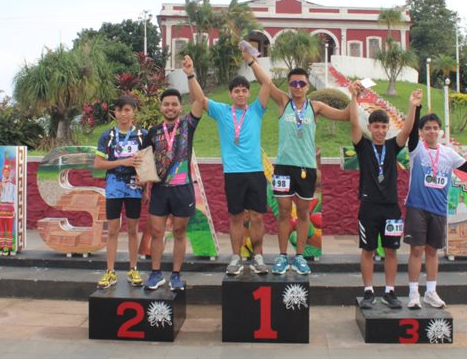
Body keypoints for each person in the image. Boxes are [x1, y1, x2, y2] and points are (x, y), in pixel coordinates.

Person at [246, 59, 350, 275]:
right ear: (288, 86)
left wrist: (355, 96)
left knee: (303, 213)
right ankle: (283, 257)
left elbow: (344, 115)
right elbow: (264, 80)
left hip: (306, 168)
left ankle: (300, 256)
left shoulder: (316, 107)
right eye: (293, 83)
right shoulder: (283, 102)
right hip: (283, 168)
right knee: (283, 213)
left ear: (308, 86)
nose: (298, 87)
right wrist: (250, 61)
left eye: (301, 83)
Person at [186, 49, 271, 275]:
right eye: (237, 91)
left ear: (248, 93)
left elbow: (267, 83)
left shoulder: (256, 110)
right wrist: (191, 74)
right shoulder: (223, 111)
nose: (241, 94)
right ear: (231, 94)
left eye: (244, 90)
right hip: (233, 173)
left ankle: (259, 257)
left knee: (256, 217)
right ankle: (235, 258)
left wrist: (251, 61)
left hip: (255, 171)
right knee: (235, 216)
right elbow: (201, 99)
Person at [349, 82, 422, 309]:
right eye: (376, 126)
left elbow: (408, 130)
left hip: (391, 208)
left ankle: (390, 291)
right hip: (369, 207)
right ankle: (368, 290)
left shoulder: (392, 146)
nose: (380, 130)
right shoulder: (362, 146)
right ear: (369, 127)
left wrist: (412, 106)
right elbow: (353, 122)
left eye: (383, 126)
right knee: (368, 249)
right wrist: (353, 97)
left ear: (387, 128)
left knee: (391, 250)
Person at [404, 113, 467, 309]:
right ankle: (413, 293)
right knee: (416, 250)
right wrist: (416, 106)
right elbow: (411, 132)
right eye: (427, 128)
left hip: (439, 209)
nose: (432, 131)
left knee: (432, 251)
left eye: (435, 128)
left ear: (440, 131)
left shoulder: (448, 153)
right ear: (421, 132)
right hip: (417, 206)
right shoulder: (416, 149)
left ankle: (431, 292)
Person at [140, 55, 204, 291]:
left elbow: (200, 99)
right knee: (157, 233)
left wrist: (190, 74)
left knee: (179, 232)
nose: (170, 107)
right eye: (166, 104)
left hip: (183, 188)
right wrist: (144, 184)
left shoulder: (188, 125)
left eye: (174, 104)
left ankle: (176, 275)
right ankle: (156, 274)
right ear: (161, 107)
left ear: (180, 107)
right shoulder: (153, 132)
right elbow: (144, 160)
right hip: (159, 190)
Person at [94, 96, 148, 289]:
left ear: (134, 111)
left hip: (135, 188)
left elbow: (148, 164)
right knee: (113, 230)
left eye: (127, 110)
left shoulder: (143, 135)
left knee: (133, 230)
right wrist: (122, 162)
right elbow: (98, 164)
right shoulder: (107, 136)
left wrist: (146, 186)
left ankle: (133, 269)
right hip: (114, 187)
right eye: (119, 110)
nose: (123, 114)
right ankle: (110, 272)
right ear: (114, 113)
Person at [0, 162, 16, 256]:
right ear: (3, 173)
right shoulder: (0, 184)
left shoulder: (13, 185)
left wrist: (15, 209)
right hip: (2, 208)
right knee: (1, 228)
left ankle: (10, 247)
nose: (6, 174)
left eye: (7, 172)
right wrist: (0, 188)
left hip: (10, 208)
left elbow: (15, 197)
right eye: (4, 172)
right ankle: (1, 246)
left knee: (9, 229)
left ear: (10, 173)